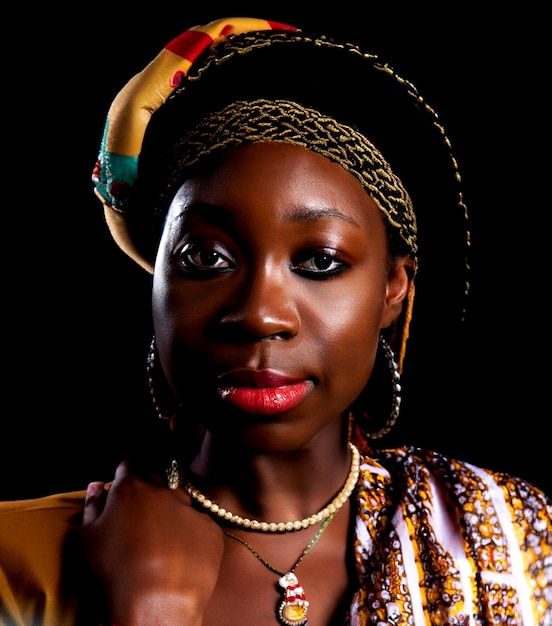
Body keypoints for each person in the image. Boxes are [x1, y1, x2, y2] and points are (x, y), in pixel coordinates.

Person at [1, 15, 550, 626]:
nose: (260, 315)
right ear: (157, 281)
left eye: (319, 260)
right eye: (207, 257)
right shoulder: (14, 563)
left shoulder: (522, 541)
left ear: (394, 287)